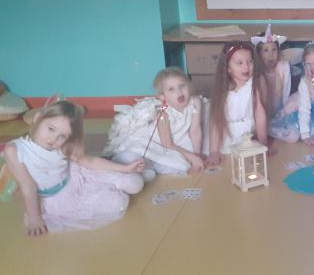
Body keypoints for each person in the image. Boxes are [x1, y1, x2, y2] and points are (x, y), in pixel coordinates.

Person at [2, 100, 145, 236]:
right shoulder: (15, 150)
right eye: (51, 129)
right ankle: (109, 188)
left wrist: (125, 168)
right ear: (38, 119)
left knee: (135, 183)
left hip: (76, 175)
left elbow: (88, 161)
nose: (53, 139)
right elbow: (28, 186)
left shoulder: (63, 145)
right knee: (119, 202)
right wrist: (35, 219)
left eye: (62, 136)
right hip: (58, 198)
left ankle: (119, 173)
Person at [104, 68, 204, 180]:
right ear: (163, 97)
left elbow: (195, 130)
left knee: (181, 167)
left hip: (176, 145)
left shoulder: (195, 102)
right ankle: (142, 167)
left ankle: (149, 168)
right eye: (171, 89)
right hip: (155, 143)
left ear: (189, 86)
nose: (179, 92)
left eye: (182, 86)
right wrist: (191, 156)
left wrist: (197, 155)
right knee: (128, 157)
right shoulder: (163, 112)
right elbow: (167, 143)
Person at [206, 42, 268, 166]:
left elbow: (259, 113)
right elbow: (216, 120)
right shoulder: (223, 87)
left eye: (250, 62)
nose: (246, 67)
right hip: (226, 131)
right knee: (227, 161)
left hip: (247, 133)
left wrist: (263, 143)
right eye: (239, 63)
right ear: (228, 68)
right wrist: (214, 151)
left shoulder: (255, 83)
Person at [251, 24, 298, 141]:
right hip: (262, 115)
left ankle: (274, 129)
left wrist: (284, 115)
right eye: (265, 50)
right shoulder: (256, 71)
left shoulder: (283, 67)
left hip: (280, 113)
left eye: (274, 50)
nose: (270, 55)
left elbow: (286, 94)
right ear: (259, 54)